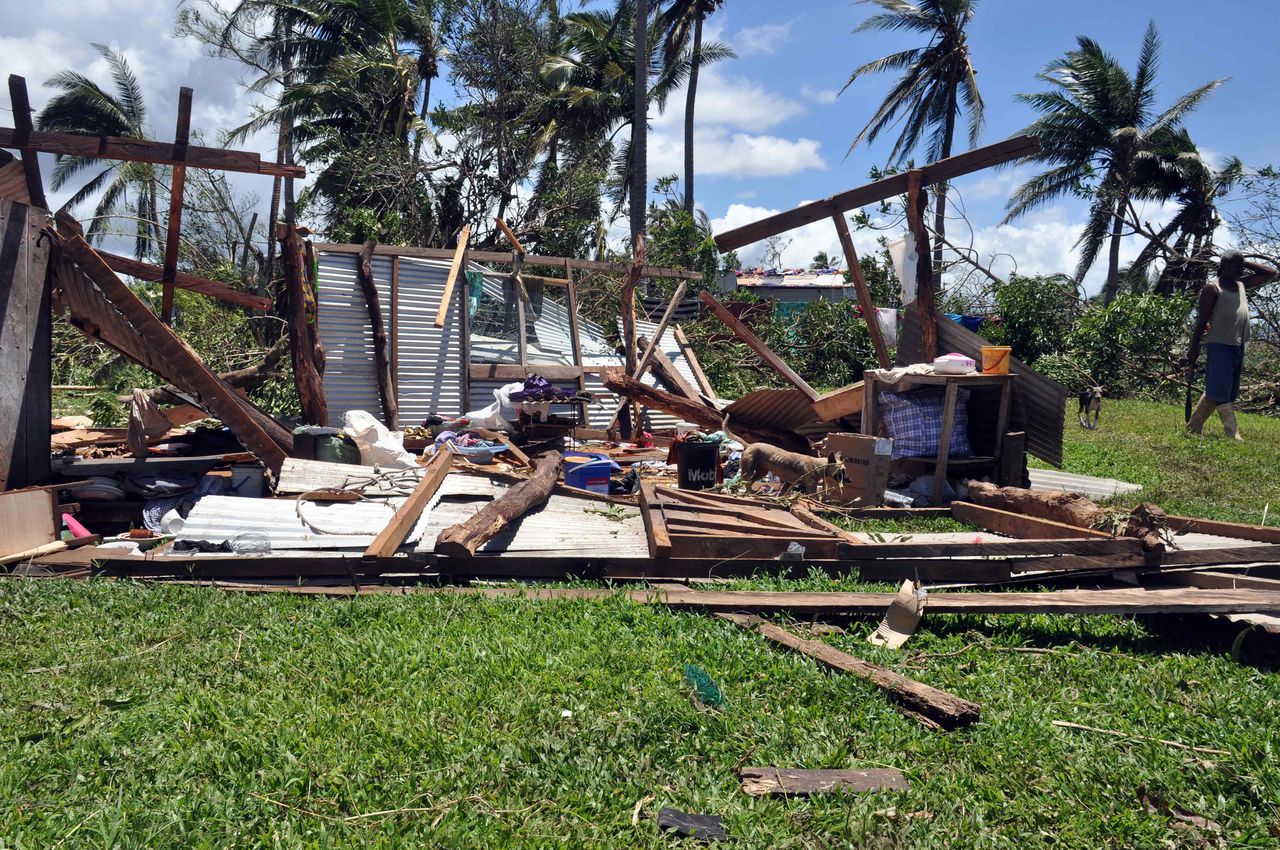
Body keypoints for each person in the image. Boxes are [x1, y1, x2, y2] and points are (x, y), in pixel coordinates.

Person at [1185, 250, 1277, 440]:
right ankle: (1231, 431)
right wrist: (1192, 350)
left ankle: (1194, 425)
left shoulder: (1241, 284)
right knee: (1221, 387)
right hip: (1219, 343)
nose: (1239, 269)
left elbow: (1271, 273)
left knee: (1226, 389)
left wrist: (1245, 261)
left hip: (1238, 344)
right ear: (1224, 266)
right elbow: (1201, 321)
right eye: (1235, 265)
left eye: (1241, 266)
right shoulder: (1213, 288)